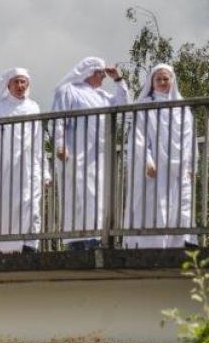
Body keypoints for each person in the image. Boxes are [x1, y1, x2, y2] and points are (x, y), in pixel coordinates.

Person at [50, 57, 131, 248]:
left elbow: (124, 105)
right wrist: (60, 145)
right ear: (90, 72)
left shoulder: (102, 96)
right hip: (75, 155)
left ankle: (98, 238)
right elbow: (57, 119)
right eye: (101, 73)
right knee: (78, 196)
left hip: (100, 156)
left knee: (100, 197)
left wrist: (118, 80)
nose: (103, 77)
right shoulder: (68, 90)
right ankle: (76, 241)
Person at [125, 64, 196, 249]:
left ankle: (179, 245)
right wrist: (147, 161)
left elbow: (190, 140)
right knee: (155, 208)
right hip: (156, 169)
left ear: (172, 80)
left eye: (166, 79)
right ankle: (153, 247)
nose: (163, 82)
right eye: (159, 79)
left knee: (180, 207)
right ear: (152, 83)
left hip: (179, 170)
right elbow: (138, 138)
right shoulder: (145, 106)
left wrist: (191, 166)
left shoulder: (183, 107)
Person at [0, 68, 50, 252]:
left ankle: (30, 245)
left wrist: (44, 171)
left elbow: (38, 141)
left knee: (31, 205)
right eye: (16, 82)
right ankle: (3, 246)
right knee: (4, 207)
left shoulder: (34, 107)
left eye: (23, 82)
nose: (20, 86)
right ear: (8, 85)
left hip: (29, 167)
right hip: (4, 166)